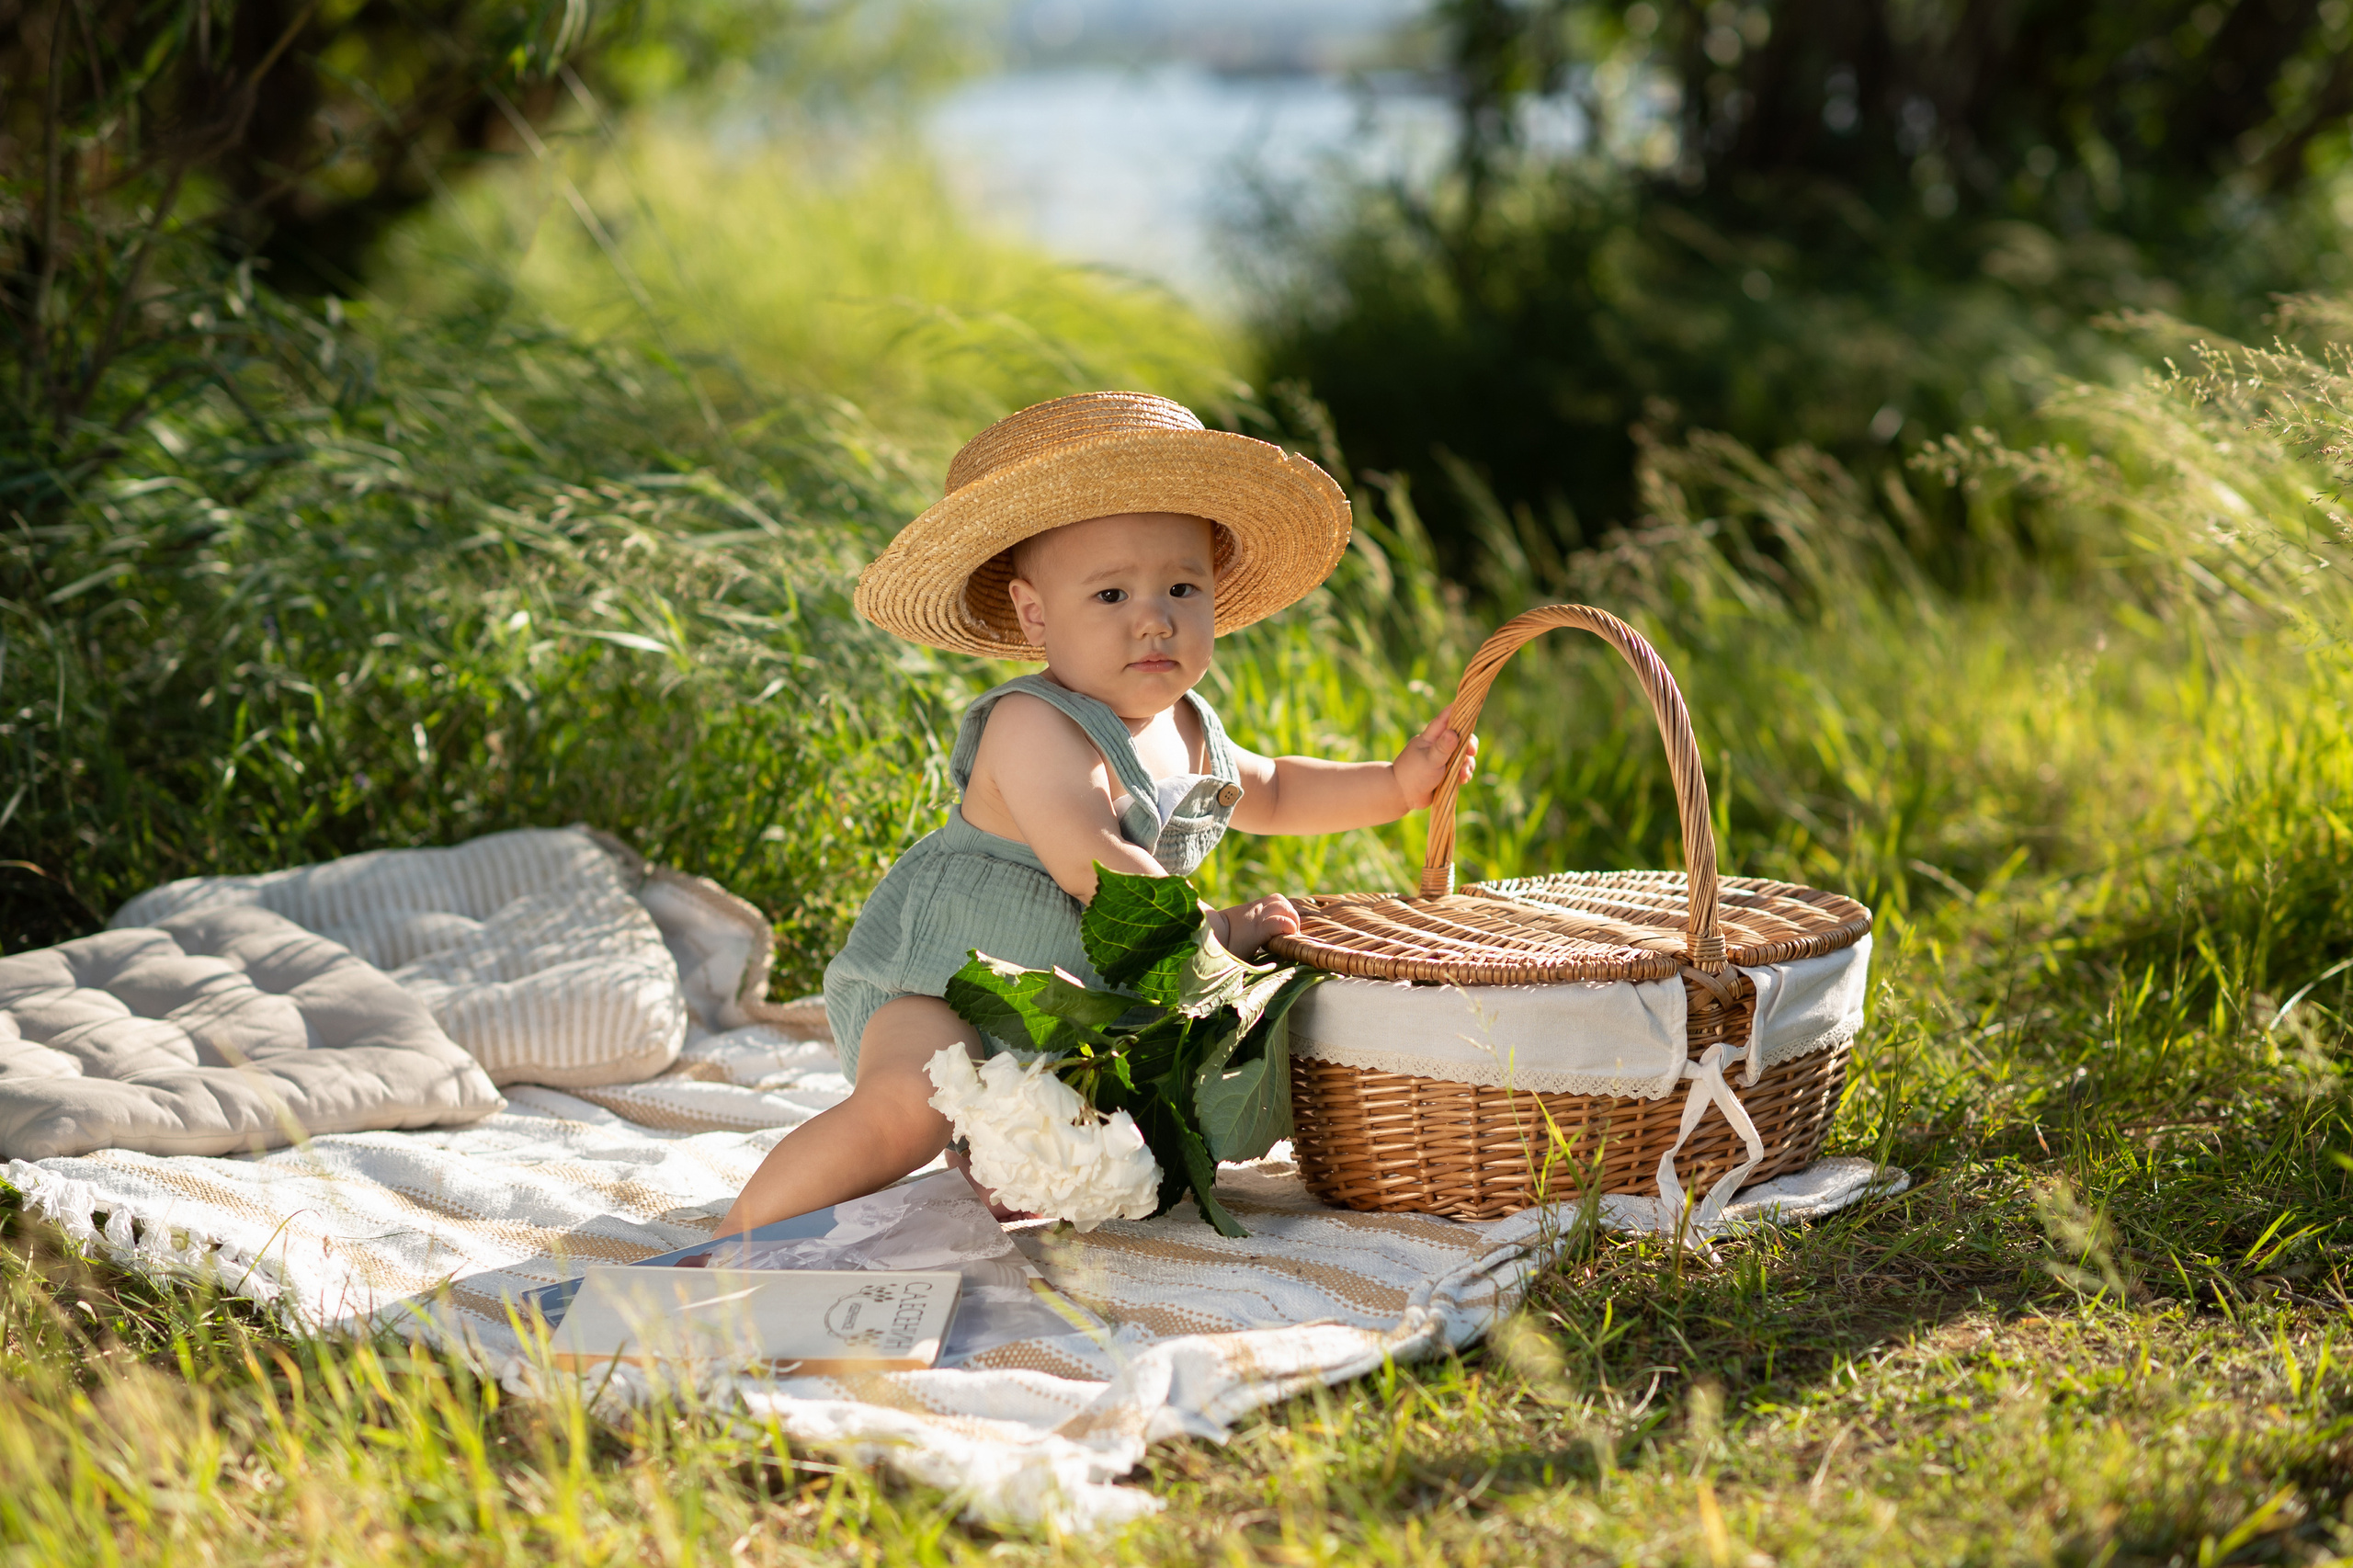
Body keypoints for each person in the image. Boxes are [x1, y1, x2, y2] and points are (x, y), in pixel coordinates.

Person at [716, 392, 1476, 1233]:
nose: (1154, 619)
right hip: (944, 984)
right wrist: (1215, 933)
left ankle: (1002, 1162)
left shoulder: (1189, 726)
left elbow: (1278, 789)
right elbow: (1093, 861)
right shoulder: (1031, 723)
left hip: (1076, 1009)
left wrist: (1396, 785)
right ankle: (736, 1239)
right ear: (1036, 614)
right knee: (908, 1105)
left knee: (1116, 1130)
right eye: (1111, 595)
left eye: (1181, 587)